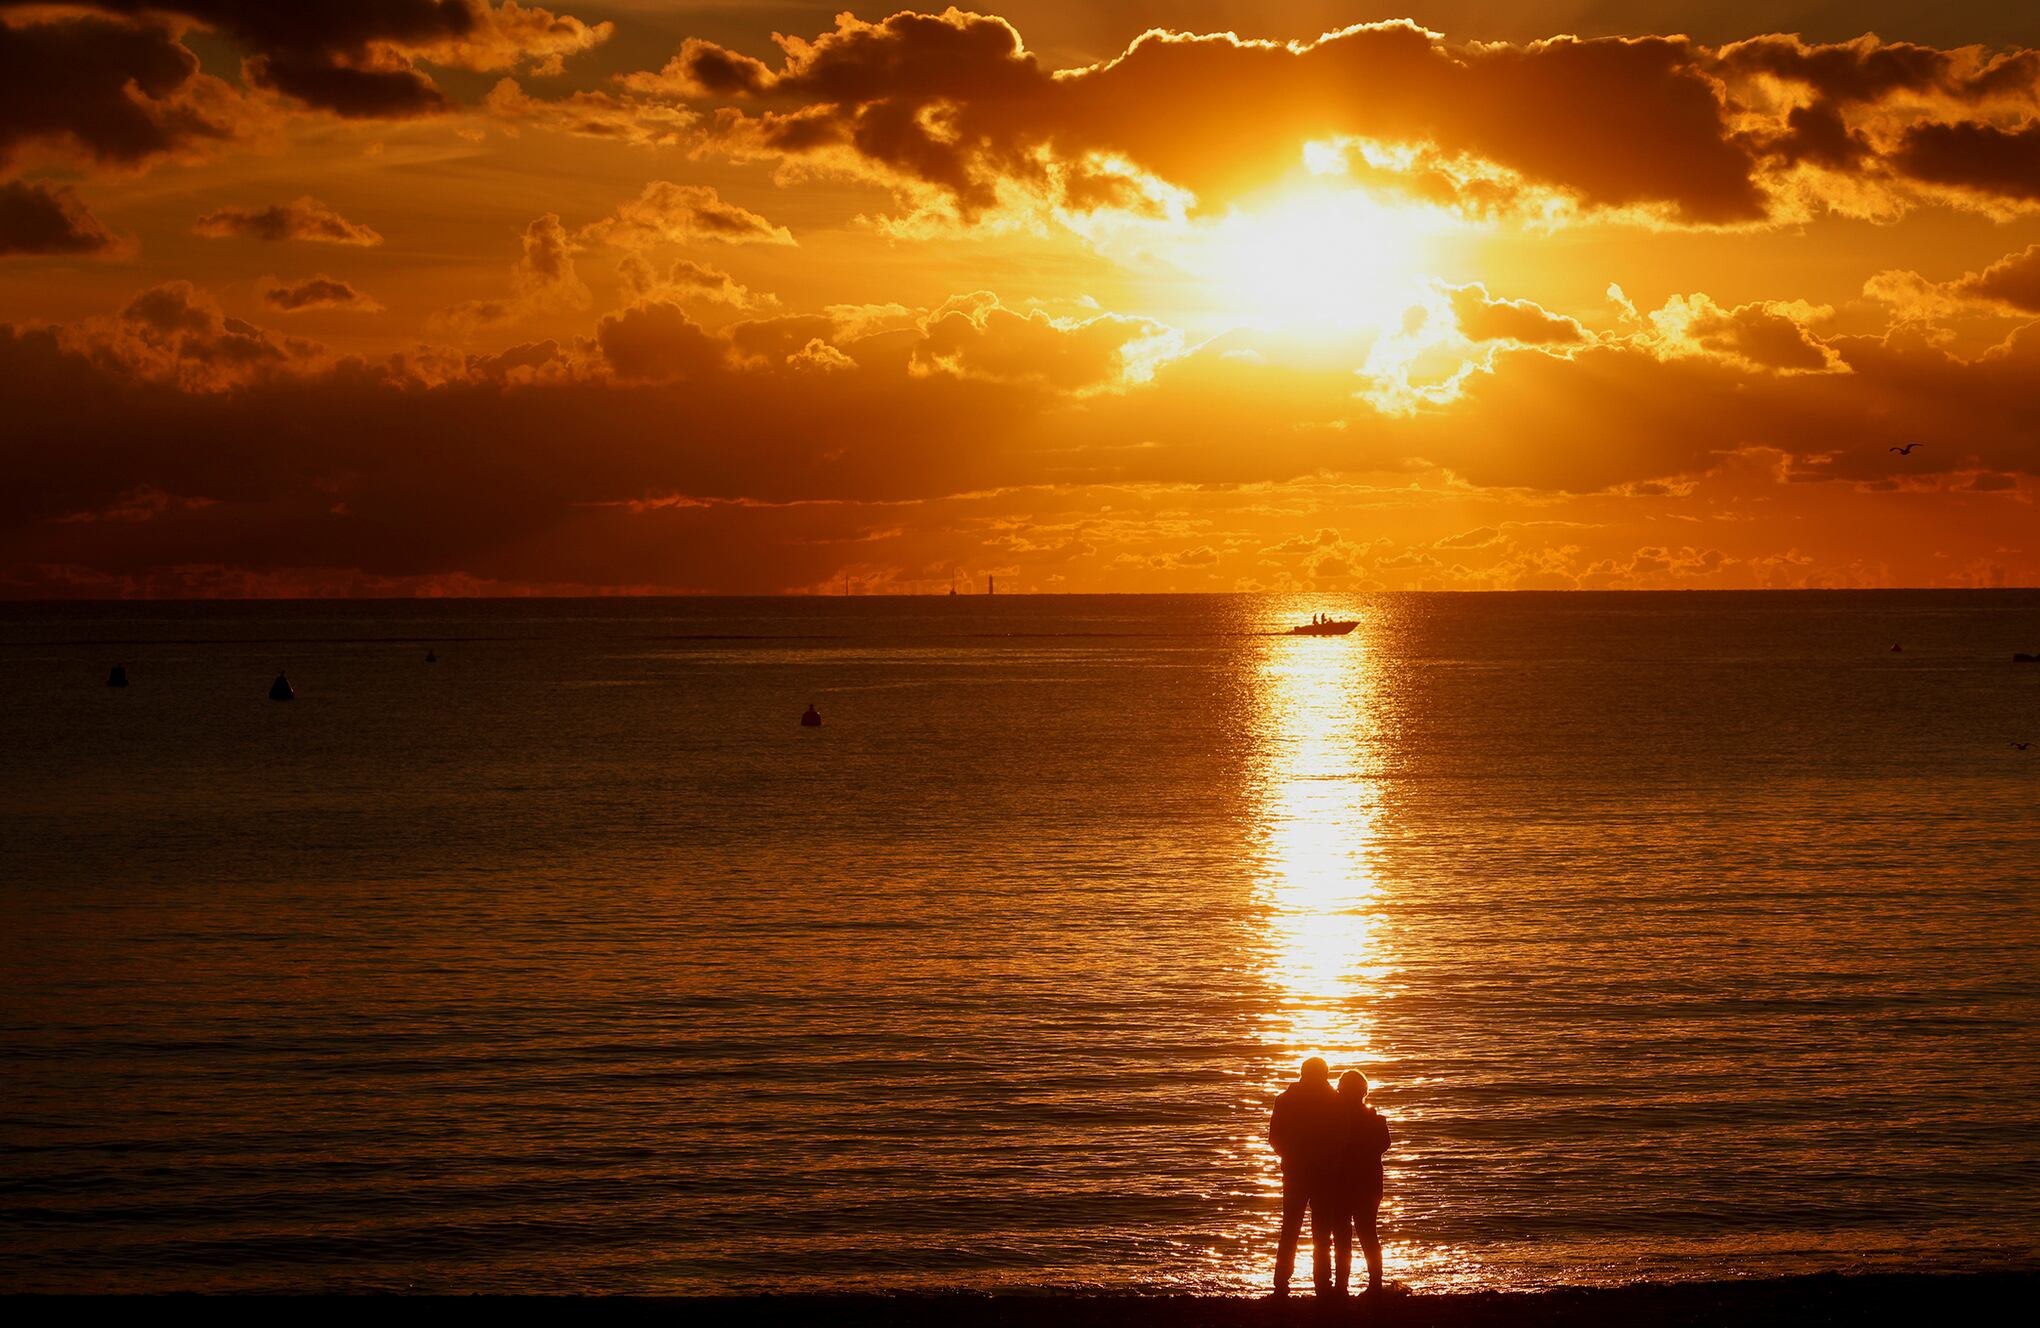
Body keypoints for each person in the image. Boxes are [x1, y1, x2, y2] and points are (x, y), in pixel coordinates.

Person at [1269, 1057, 1343, 1296]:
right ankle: (1323, 1283)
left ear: (1302, 1073)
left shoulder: (1284, 1100)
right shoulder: (1334, 1100)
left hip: (1295, 1171)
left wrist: (1290, 1156)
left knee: (1291, 1227)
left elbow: (1275, 1137)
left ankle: (1281, 1282)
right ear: (1324, 1074)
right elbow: (1342, 1137)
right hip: (1324, 1172)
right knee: (1322, 1231)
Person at [1334, 1070, 1392, 1295]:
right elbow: (1383, 1145)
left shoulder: (1335, 1121)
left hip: (1341, 1183)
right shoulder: (1375, 1120)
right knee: (1369, 1234)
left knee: (1341, 1235)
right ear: (1363, 1091)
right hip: (1369, 1184)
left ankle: (1341, 1286)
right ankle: (1375, 1283)